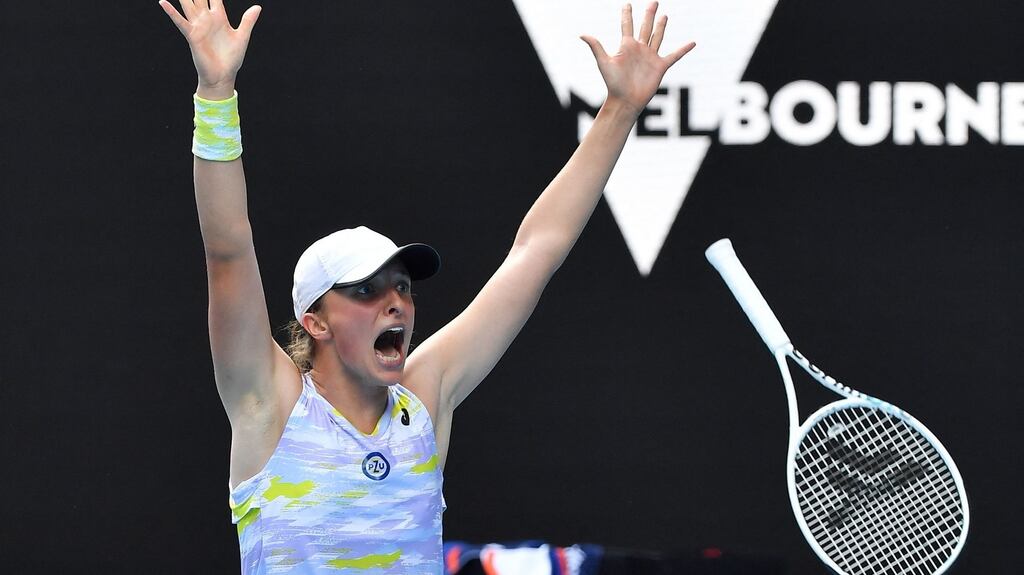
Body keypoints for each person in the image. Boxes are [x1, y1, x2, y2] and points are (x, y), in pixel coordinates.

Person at [158, 0, 695, 572]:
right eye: (365, 291)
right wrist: (215, 92)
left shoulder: (425, 398)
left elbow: (536, 251)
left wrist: (618, 111)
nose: (395, 302)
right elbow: (228, 249)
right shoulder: (269, 405)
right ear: (314, 322)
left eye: (403, 288)